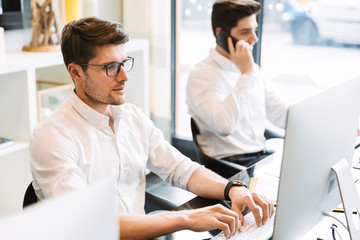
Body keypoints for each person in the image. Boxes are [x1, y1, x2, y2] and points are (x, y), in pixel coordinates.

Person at [30, 17, 274, 239]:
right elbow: (89, 224)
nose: (124, 76)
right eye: (111, 67)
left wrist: (232, 189)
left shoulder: (132, 117)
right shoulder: (53, 136)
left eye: (124, 63)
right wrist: (186, 219)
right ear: (76, 72)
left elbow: (181, 168)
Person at [186, 0, 289, 165]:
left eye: (254, 30)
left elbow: (281, 115)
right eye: (245, 32)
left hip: (260, 159)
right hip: (229, 167)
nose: (254, 38)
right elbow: (224, 126)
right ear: (221, 35)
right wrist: (246, 74)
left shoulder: (252, 68)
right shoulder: (202, 75)